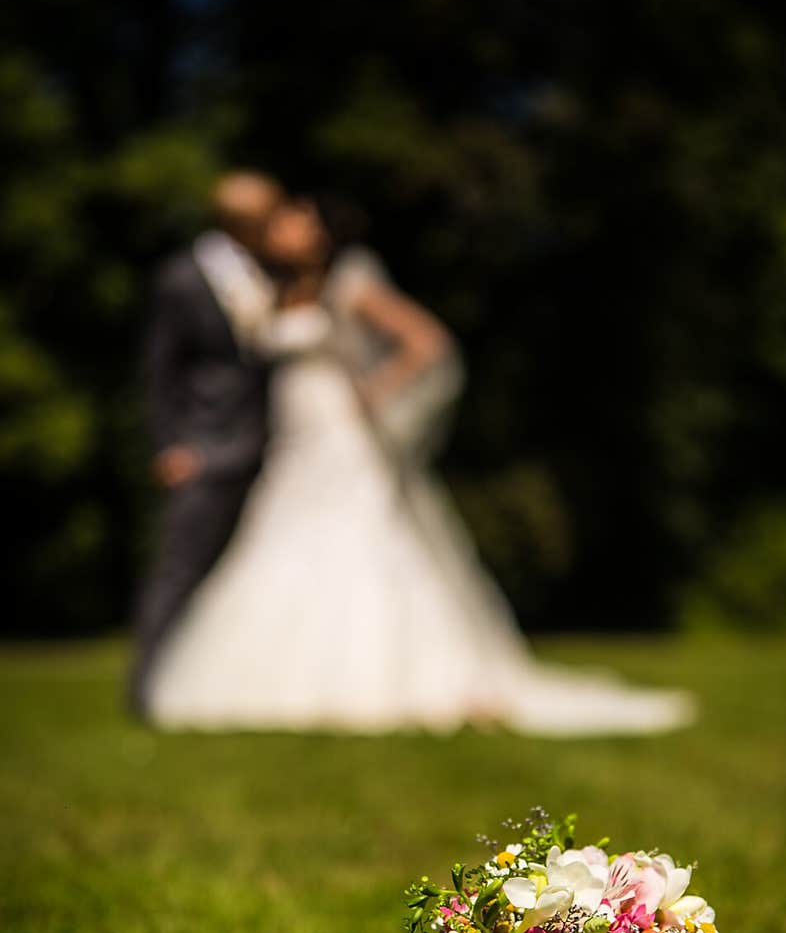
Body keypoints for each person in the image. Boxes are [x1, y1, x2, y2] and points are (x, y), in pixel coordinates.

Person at [143, 197, 696, 736]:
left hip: (343, 437)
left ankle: (380, 677)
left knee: (358, 542)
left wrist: (377, 393)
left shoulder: (350, 286)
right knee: (280, 538)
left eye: (296, 222)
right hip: (292, 442)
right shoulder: (273, 293)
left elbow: (427, 342)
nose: (283, 230)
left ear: (322, 236)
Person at [127, 169, 298, 713]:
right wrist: (169, 445)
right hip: (203, 447)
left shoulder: (281, 274)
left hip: (278, 447)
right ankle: (146, 689)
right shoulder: (183, 278)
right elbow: (159, 369)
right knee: (180, 568)